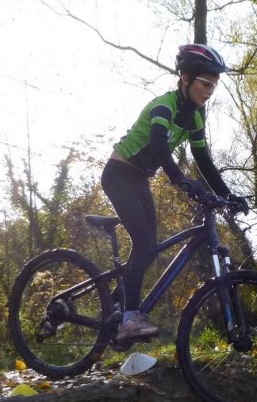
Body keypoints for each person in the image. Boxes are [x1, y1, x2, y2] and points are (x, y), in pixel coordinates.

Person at [101, 43, 248, 341]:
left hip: (140, 178)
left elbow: (203, 159)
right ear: (185, 78)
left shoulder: (195, 117)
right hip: (118, 174)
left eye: (214, 86)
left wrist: (227, 193)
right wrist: (180, 180)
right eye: (205, 83)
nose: (209, 91)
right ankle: (129, 319)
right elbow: (157, 144)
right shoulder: (164, 106)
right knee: (143, 241)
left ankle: (117, 305)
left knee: (149, 246)